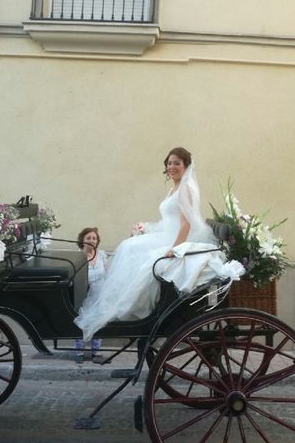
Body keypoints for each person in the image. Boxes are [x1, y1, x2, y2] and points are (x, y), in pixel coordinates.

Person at [74, 147, 242, 341]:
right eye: (169, 163)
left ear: (186, 166)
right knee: (130, 245)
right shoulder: (175, 187)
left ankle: (127, 308)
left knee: (132, 250)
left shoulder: (185, 188)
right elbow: (169, 221)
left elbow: (186, 223)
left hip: (178, 239)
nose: (172, 167)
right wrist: (147, 228)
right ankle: (116, 306)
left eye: (177, 163)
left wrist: (175, 249)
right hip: (169, 234)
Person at [73, 227, 107, 363]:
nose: (92, 240)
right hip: (84, 294)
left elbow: (108, 272)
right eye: (88, 238)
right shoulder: (78, 257)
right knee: (83, 320)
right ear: (82, 240)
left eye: (94, 238)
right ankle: (79, 352)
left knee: (99, 321)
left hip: (99, 293)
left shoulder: (102, 255)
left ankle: (96, 352)